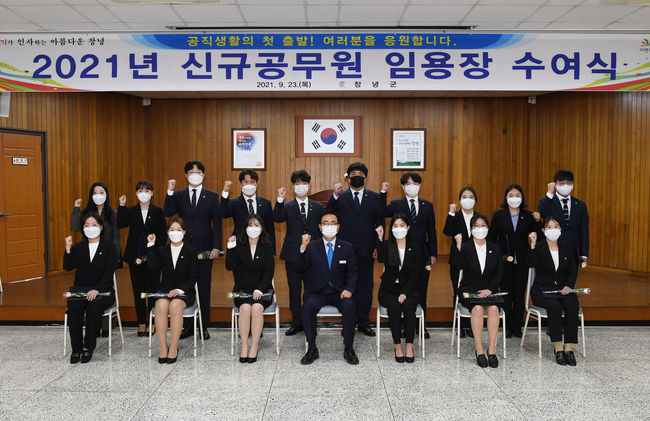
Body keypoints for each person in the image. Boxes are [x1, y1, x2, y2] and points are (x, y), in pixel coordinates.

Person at [326, 162, 387, 337]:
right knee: (347, 286)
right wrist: (334, 196)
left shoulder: (375, 197)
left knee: (365, 287)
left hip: (367, 249)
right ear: (348, 178)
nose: (357, 176)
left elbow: (380, 223)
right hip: (345, 250)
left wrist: (378, 246)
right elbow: (328, 215)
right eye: (353, 174)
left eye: (360, 174)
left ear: (365, 177)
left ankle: (364, 322)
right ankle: (349, 322)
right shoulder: (341, 197)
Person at [165, 160, 222, 340]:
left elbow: (217, 223)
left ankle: (204, 326)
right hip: (184, 250)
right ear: (186, 175)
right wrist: (170, 191)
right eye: (191, 172)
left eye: (198, 172)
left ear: (203, 175)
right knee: (185, 287)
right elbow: (168, 212)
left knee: (204, 288)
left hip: (205, 249)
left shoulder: (212, 196)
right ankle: (188, 326)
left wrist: (216, 247)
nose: (194, 174)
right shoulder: (179, 195)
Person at [297, 210, 358, 365]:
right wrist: (303, 248)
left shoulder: (348, 247)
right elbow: (300, 267)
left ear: (338, 227)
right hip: (317, 292)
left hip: (340, 292)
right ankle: (311, 348)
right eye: (325, 223)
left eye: (332, 223)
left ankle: (349, 347)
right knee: (308, 306)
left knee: (350, 305)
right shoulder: (311, 246)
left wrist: (349, 289)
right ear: (320, 227)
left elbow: (352, 273)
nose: (329, 226)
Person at [382, 172, 437, 339]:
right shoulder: (396, 203)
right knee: (403, 288)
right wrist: (383, 193)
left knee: (421, 289)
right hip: (401, 253)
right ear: (403, 187)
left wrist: (433, 253)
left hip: (422, 254)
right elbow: (381, 212)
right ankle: (403, 325)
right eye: (407, 184)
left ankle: (421, 325)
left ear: (420, 185)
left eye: (415, 183)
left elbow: (431, 230)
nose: (411, 186)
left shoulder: (428, 205)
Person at [488, 184, 541, 338]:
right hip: (504, 261)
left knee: (519, 295)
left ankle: (517, 327)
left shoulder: (528, 216)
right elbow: (491, 238)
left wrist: (538, 221)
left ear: (522, 198)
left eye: (517, 195)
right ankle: (506, 326)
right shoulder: (498, 215)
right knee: (506, 294)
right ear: (506, 198)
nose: (514, 198)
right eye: (511, 195)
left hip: (522, 262)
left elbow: (538, 236)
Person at [273, 170, 323, 336]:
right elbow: (278, 218)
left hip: (313, 255)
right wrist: (280, 199)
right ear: (293, 186)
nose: (300, 186)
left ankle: (309, 321)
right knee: (294, 290)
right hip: (292, 254)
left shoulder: (317, 207)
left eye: (304, 183)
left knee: (310, 290)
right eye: (297, 183)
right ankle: (297, 322)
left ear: (309, 186)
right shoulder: (287, 206)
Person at [63, 212, 117, 364]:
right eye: (87, 225)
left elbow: (109, 272)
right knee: (74, 308)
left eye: (94, 225)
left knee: (93, 308)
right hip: (81, 291)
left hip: (103, 291)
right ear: (83, 228)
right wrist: (68, 248)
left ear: (101, 227)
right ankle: (76, 348)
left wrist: (97, 289)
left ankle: (88, 347)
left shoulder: (109, 248)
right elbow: (67, 266)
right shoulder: (79, 247)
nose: (90, 228)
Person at [451, 214, 503, 368]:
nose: (480, 229)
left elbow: (499, 273)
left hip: (490, 290)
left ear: (488, 228)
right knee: (478, 309)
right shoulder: (466, 247)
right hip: (469, 289)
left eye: (483, 225)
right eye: (476, 226)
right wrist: (458, 246)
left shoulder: (495, 248)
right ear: (471, 229)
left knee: (494, 309)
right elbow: (457, 266)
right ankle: (479, 349)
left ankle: (491, 350)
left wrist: (490, 289)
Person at [526, 216, 580, 366]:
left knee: (572, 305)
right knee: (554, 306)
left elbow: (572, 271)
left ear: (560, 229)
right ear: (543, 230)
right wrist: (532, 245)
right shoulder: (539, 247)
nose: (553, 229)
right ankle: (558, 347)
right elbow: (530, 263)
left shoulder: (567, 249)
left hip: (563, 290)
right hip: (542, 291)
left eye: (556, 226)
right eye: (549, 227)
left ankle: (568, 347)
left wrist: (568, 286)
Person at [146, 217, 199, 364]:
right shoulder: (162, 250)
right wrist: (150, 245)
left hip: (184, 292)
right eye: (172, 229)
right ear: (168, 232)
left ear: (184, 232)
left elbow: (194, 277)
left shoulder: (191, 251)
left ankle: (174, 347)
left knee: (175, 306)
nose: (175, 232)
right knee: (161, 305)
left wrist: (180, 290)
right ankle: (163, 347)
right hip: (165, 290)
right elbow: (152, 267)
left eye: (178, 229)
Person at [118, 180, 167, 336]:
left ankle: (152, 321)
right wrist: (121, 206)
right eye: (140, 190)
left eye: (147, 190)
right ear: (136, 193)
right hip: (135, 256)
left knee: (152, 290)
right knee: (138, 290)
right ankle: (141, 323)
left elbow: (163, 234)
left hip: (153, 256)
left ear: (152, 193)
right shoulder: (131, 211)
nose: (143, 193)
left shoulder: (158, 211)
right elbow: (121, 223)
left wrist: (155, 248)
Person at [225, 214, 275, 363]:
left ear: (262, 228)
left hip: (262, 290)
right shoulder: (238, 245)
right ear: (245, 228)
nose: (253, 228)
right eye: (250, 225)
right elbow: (229, 266)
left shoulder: (267, 246)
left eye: (257, 225)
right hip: (242, 290)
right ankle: (244, 346)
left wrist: (260, 289)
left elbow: (269, 271)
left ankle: (254, 346)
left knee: (257, 308)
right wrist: (231, 247)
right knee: (245, 308)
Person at [375, 214, 420, 363]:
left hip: (409, 289)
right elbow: (381, 259)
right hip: (389, 289)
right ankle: (397, 346)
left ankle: (409, 346)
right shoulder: (388, 244)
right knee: (394, 307)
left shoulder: (415, 247)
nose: (398, 228)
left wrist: (404, 293)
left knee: (408, 307)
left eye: (402, 225)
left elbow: (415, 274)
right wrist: (380, 239)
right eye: (395, 226)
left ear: (408, 227)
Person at [443, 186, 479, 338]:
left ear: (475, 200)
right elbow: (447, 231)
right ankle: (459, 325)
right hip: (457, 260)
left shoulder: (480, 218)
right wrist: (451, 213)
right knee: (458, 290)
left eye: (471, 197)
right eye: (464, 197)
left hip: (476, 261)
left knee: (473, 291)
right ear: (459, 200)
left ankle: (471, 325)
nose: (468, 199)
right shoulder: (455, 216)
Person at [537, 170, 589, 268]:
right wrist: (549, 193)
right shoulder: (547, 201)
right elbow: (542, 212)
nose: (565, 186)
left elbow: (584, 230)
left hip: (573, 252)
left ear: (573, 184)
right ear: (555, 184)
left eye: (568, 183)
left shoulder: (580, 205)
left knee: (571, 277)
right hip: (552, 250)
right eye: (561, 183)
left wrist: (584, 254)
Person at [222, 169, 276, 255]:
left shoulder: (266, 203)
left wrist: (272, 251)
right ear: (241, 184)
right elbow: (224, 214)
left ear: (256, 184)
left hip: (262, 245)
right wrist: (225, 192)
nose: (249, 185)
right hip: (240, 244)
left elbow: (270, 228)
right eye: (246, 182)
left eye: (252, 182)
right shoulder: (234, 203)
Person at [71, 181, 121, 264]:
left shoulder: (114, 214)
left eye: (101, 192)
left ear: (106, 195)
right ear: (91, 196)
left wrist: (116, 257)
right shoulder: (86, 213)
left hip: (106, 252)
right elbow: (75, 228)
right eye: (95, 193)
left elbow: (116, 237)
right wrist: (76, 208)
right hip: (88, 251)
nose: (98, 195)